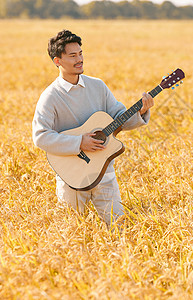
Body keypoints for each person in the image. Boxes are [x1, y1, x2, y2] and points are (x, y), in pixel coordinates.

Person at [32, 30, 154, 225]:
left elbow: (119, 119)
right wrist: (80, 142)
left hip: (105, 173)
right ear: (57, 61)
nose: (79, 59)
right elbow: (40, 136)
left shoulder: (97, 86)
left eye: (80, 53)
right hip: (71, 177)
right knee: (70, 235)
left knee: (119, 229)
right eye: (73, 56)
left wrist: (140, 112)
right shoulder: (50, 97)